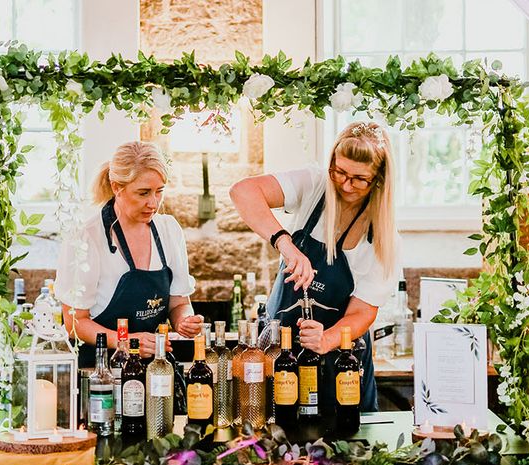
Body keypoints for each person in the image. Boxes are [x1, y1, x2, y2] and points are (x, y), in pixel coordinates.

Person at [229, 121, 399, 412]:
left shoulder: (382, 238)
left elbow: (363, 312)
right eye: (340, 172)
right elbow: (243, 191)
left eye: (359, 179)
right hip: (280, 348)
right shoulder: (314, 184)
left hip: (341, 362)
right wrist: (285, 243)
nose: (345, 185)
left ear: (379, 180)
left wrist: (326, 339)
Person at [55, 141, 203, 367]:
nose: (153, 203)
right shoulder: (85, 237)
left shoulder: (169, 230)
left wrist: (184, 320)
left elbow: (178, 302)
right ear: (117, 187)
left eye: (159, 191)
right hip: (97, 371)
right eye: (143, 193)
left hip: (155, 370)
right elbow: (74, 322)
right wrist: (126, 342)